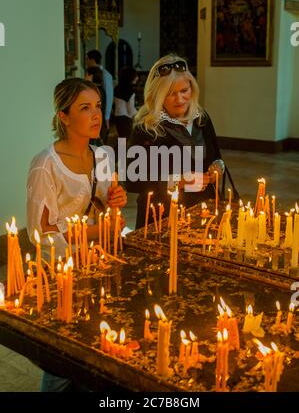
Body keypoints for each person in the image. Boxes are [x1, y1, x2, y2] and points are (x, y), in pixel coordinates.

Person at [26, 78, 127, 391]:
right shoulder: (46, 166)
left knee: (94, 337)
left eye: (97, 106)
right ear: (64, 117)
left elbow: (111, 213)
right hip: (63, 271)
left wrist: (115, 202)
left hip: (98, 262)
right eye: (85, 108)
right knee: (64, 350)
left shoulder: (102, 157)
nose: (96, 114)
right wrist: (97, 230)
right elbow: (41, 233)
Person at [126, 54, 236, 230]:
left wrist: (217, 168)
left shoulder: (202, 119)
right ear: (157, 96)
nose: (180, 99)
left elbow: (216, 158)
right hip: (161, 214)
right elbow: (133, 180)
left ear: (192, 88)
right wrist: (179, 181)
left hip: (201, 210)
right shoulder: (146, 128)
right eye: (170, 94)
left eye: (184, 91)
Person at [86, 49, 113, 141]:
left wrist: (106, 118)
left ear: (92, 60)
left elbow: (108, 97)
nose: (86, 62)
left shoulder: (105, 75)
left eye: (87, 59)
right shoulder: (89, 72)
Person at [114, 66, 138, 139]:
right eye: (136, 76)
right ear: (130, 77)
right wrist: (140, 114)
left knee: (122, 140)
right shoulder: (130, 90)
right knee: (126, 141)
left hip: (117, 117)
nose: (137, 78)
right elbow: (130, 110)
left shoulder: (117, 87)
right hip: (125, 119)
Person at [84, 65, 107, 143]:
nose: (85, 76)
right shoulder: (100, 89)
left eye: (86, 74)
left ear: (91, 76)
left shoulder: (92, 91)